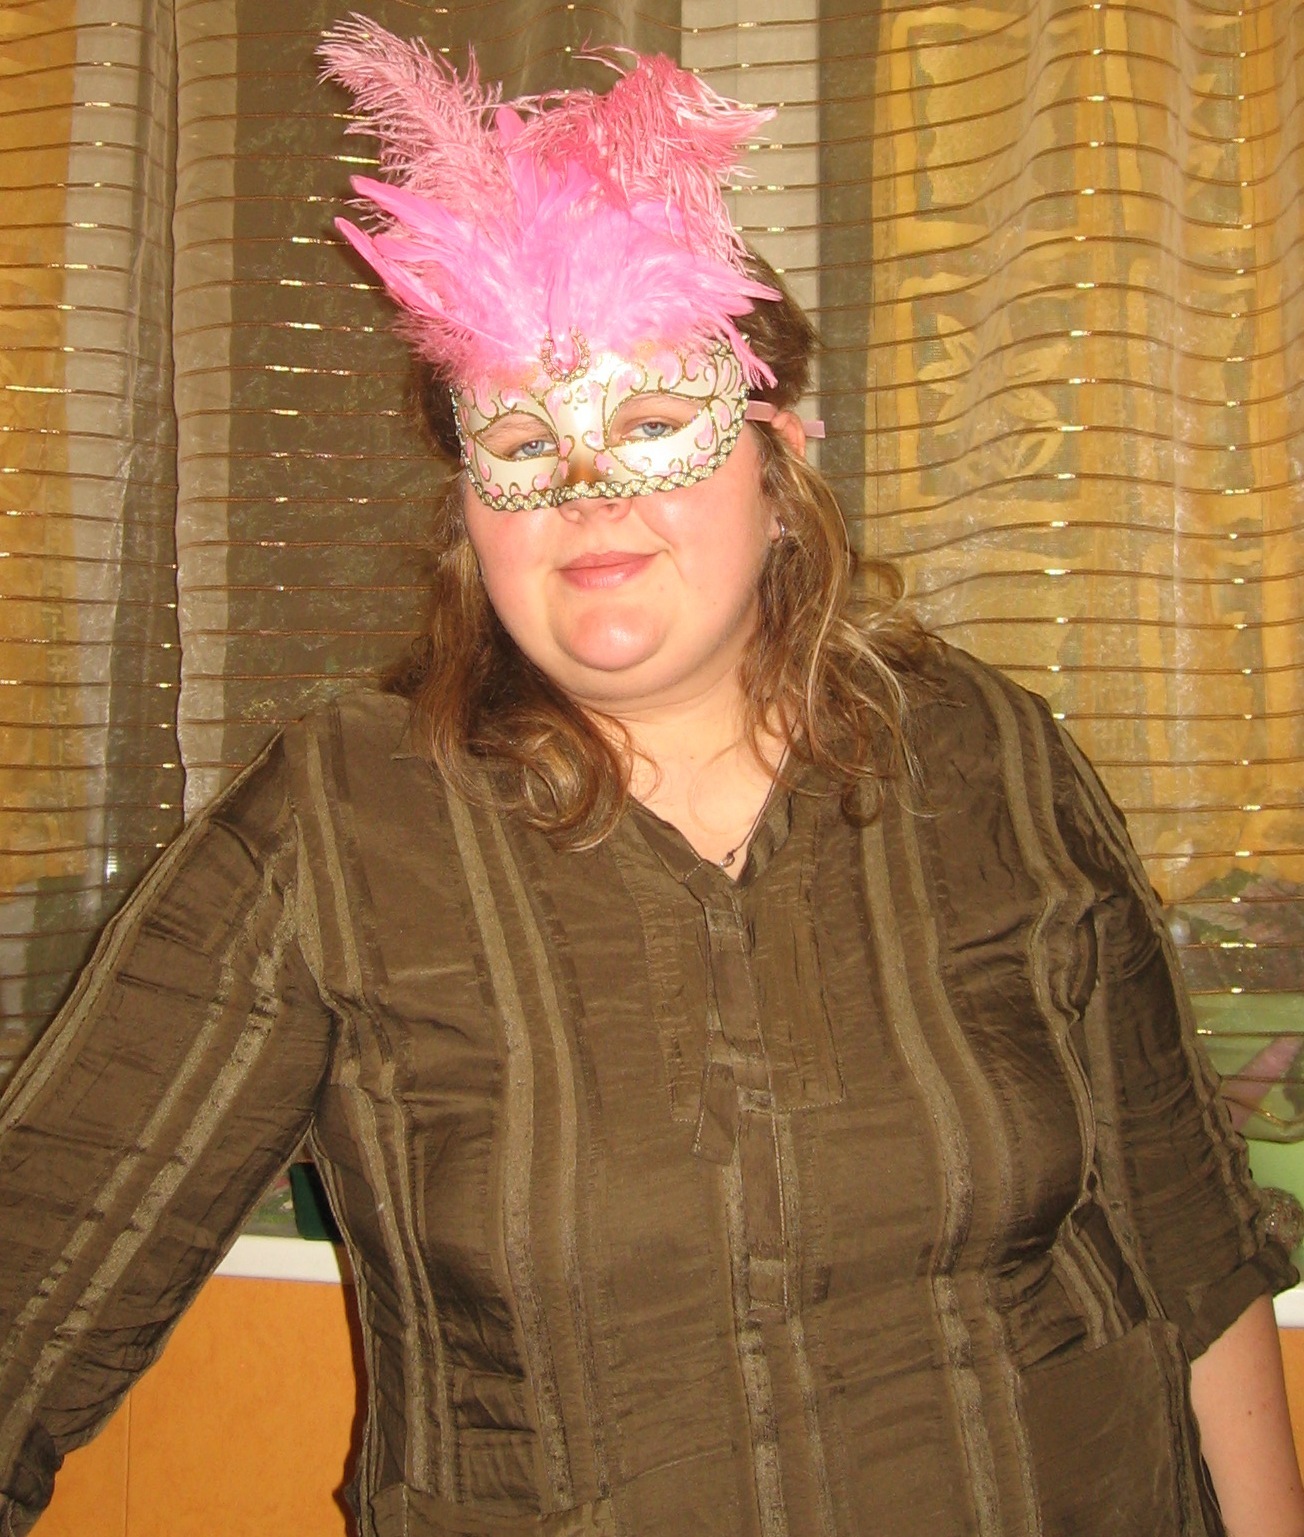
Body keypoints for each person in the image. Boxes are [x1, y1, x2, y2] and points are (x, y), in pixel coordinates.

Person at [1, 18, 1302, 1537]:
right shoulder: (337, 822)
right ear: (467, 509)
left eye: (656, 422)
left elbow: (1186, 1237)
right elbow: (39, 1269)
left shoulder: (988, 755)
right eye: (521, 442)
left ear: (781, 460)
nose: (589, 491)